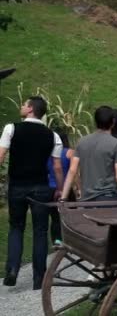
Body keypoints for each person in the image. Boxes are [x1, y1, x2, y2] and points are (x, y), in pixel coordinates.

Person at [0, 96, 64, 290]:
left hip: (17, 186)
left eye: (24, 104)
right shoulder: (53, 135)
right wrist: (60, 188)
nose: (21, 107)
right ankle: (39, 278)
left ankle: (12, 269)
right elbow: (57, 166)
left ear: (30, 109)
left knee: (16, 227)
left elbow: (1, 156)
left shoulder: (11, 128)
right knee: (40, 231)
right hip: (41, 187)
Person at [61, 106, 117, 202]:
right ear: (113, 122)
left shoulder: (81, 142)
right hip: (108, 198)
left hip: (87, 198)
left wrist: (63, 197)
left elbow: (72, 170)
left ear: (95, 122)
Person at [46, 130, 76, 244]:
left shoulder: (47, 153)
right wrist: (78, 187)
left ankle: (57, 240)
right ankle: (69, 240)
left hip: (50, 188)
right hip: (66, 189)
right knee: (70, 216)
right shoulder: (70, 153)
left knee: (55, 218)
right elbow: (74, 173)